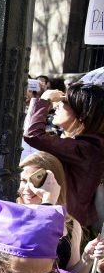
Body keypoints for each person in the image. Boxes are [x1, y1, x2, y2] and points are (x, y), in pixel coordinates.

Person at [23, 83, 104, 227]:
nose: (57, 104)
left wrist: (44, 99)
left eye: (65, 101)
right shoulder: (89, 145)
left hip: (66, 225)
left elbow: (33, 135)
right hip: (65, 220)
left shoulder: (87, 148)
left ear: (82, 114)